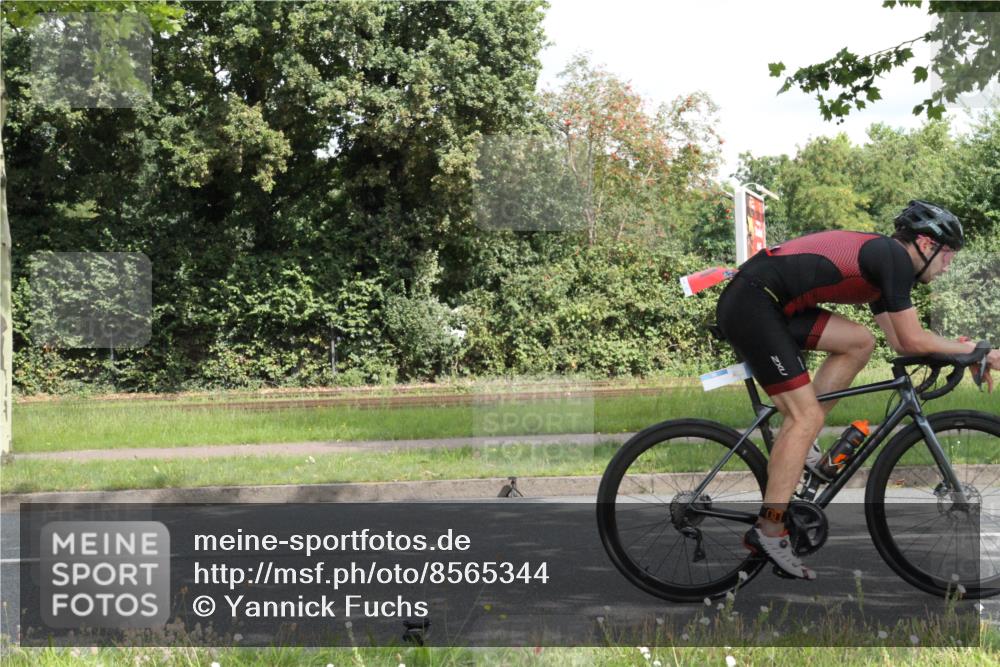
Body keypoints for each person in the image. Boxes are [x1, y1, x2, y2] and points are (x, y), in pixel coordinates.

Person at [714, 200, 1000, 579]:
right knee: (804, 416)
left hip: (769, 303)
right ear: (926, 244)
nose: (948, 265)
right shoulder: (894, 258)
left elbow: (900, 343)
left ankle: (803, 444)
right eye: (948, 254)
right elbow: (913, 340)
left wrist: (959, 353)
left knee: (859, 343)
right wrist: (978, 351)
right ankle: (769, 529)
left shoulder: (887, 266)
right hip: (754, 303)